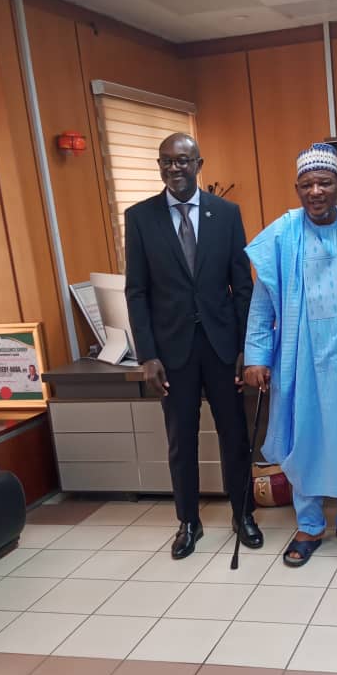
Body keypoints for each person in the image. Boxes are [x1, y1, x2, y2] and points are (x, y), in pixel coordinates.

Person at [243, 142, 337, 567]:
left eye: (324, 183)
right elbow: (262, 303)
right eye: (307, 184)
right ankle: (309, 525)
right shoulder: (281, 235)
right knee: (304, 439)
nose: (316, 192)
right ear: (297, 188)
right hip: (301, 360)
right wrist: (256, 356)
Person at [125, 132, 263, 559]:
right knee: (180, 440)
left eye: (183, 160)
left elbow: (242, 285)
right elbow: (136, 291)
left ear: (198, 165)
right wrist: (147, 355)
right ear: (159, 166)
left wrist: (246, 347)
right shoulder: (140, 218)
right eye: (167, 161)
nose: (175, 168)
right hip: (172, 352)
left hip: (222, 348)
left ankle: (243, 514)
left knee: (234, 436)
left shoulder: (226, 213)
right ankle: (188, 521)